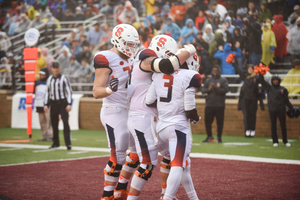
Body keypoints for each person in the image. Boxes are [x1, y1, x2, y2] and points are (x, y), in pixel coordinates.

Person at [117, 35, 195, 200]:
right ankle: (127, 195)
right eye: (169, 54)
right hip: (143, 117)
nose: (170, 57)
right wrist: (189, 50)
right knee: (147, 163)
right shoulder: (147, 59)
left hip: (138, 115)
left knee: (158, 154)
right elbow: (166, 69)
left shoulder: (143, 62)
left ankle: (121, 189)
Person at [145, 48, 202, 200]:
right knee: (177, 166)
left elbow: (149, 101)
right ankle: (167, 198)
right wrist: (196, 118)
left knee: (184, 165)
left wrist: (166, 105)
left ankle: (193, 198)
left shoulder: (158, 74)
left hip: (160, 128)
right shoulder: (190, 75)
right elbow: (189, 108)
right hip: (177, 128)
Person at [92, 24, 140, 200]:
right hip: (114, 110)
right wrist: (109, 90)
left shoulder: (132, 59)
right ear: (118, 40)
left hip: (131, 110)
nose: (131, 48)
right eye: (128, 43)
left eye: (133, 44)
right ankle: (107, 196)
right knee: (118, 155)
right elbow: (96, 91)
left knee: (137, 153)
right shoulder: (105, 57)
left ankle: (120, 188)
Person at [259, 74, 294, 147]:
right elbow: (262, 81)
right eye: (274, 80)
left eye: (276, 80)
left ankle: (285, 141)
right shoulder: (269, 88)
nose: (275, 81)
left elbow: (286, 100)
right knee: (273, 126)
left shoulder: (283, 89)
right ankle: (275, 141)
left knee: (283, 126)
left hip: (281, 109)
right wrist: (261, 74)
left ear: (279, 81)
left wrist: (291, 108)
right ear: (272, 81)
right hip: (272, 110)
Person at [44, 61, 72, 150]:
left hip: (62, 103)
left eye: (57, 67)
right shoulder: (49, 79)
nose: (55, 69)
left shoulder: (64, 78)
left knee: (65, 123)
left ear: (60, 68)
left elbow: (69, 91)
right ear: (51, 69)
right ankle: (56, 143)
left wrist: (69, 103)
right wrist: (46, 104)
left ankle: (68, 143)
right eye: (54, 68)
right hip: (53, 103)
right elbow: (47, 92)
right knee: (54, 124)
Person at [201, 66, 228, 143]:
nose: (215, 71)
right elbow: (203, 90)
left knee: (220, 122)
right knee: (207, 122)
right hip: (209, 105)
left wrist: (215, 88)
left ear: (219, 71)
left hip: (220, 105)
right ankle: (209, 137)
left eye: (217, 70)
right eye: (214, 70)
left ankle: (219, 137)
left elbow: (225, 90)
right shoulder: (208, 80)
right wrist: (209, 89)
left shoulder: (223, 80)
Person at [233, 62, 260, 137]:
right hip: (246, 99)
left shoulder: (256, 77)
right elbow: (239, 71)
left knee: (253, 115)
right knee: (246, 115)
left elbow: (262, 83)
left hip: (253, 99)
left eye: (251, 68)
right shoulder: (245, 77)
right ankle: (247, 130)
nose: (250, 70)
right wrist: (233, 63)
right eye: (249, 68)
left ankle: (252, 129)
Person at [35, 68, 53, 142]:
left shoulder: (49, 81)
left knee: (48, 120)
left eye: (43, 74)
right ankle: (44, 135)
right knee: (41, 121)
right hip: (39, 103)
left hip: (47, 104)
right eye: (41, 74)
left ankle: (50, 136)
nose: (41, 76)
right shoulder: (37, 82)